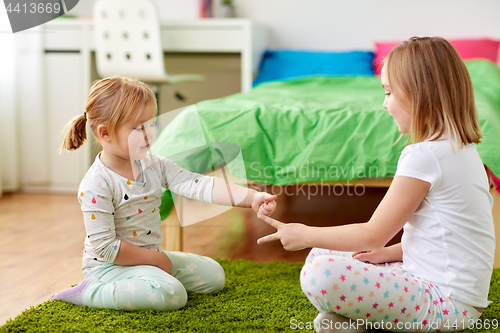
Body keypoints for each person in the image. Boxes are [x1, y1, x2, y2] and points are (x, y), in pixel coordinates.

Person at [256, 37, 495, 332]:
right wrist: (388, 255)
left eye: (389, 92)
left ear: (419, 94)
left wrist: (304, 233)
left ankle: (371, 321)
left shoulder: (425, 155)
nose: (384, 103)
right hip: (456, 299)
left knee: (319, 271)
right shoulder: (464, 150)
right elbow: (447, 241)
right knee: (326, 254)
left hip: (445, 305)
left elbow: (372, 235)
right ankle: (362, 323)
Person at [51, 76, 277, 311]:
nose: (149, 134)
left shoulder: (153, 164)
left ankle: (150, 279)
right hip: (110, 268)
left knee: (215, 275)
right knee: (172, 295)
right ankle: (92, 291)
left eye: (151, 124)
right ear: (105, 133)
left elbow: (197, 184)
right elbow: (106, 248)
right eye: (138, 128)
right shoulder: (96, 184)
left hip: (150, 257)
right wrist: (156, 260)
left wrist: (251, 198)